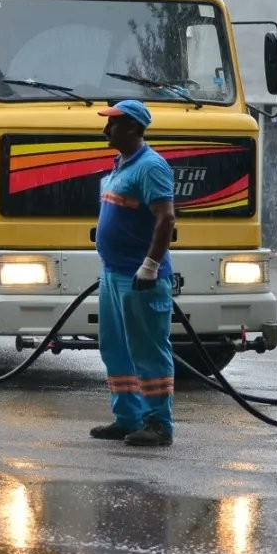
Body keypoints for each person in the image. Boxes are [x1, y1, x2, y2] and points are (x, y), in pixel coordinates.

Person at [91, 99, 177, 448]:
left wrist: (150, 265)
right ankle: (127, 417)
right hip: (114, 274)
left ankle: (158, 424)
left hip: (139, 277)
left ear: (133, 128)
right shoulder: (121, 165)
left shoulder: (151, 167)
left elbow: (166, 218)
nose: (106, 130)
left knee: (148, 350)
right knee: (115, 349)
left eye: (113, 124)